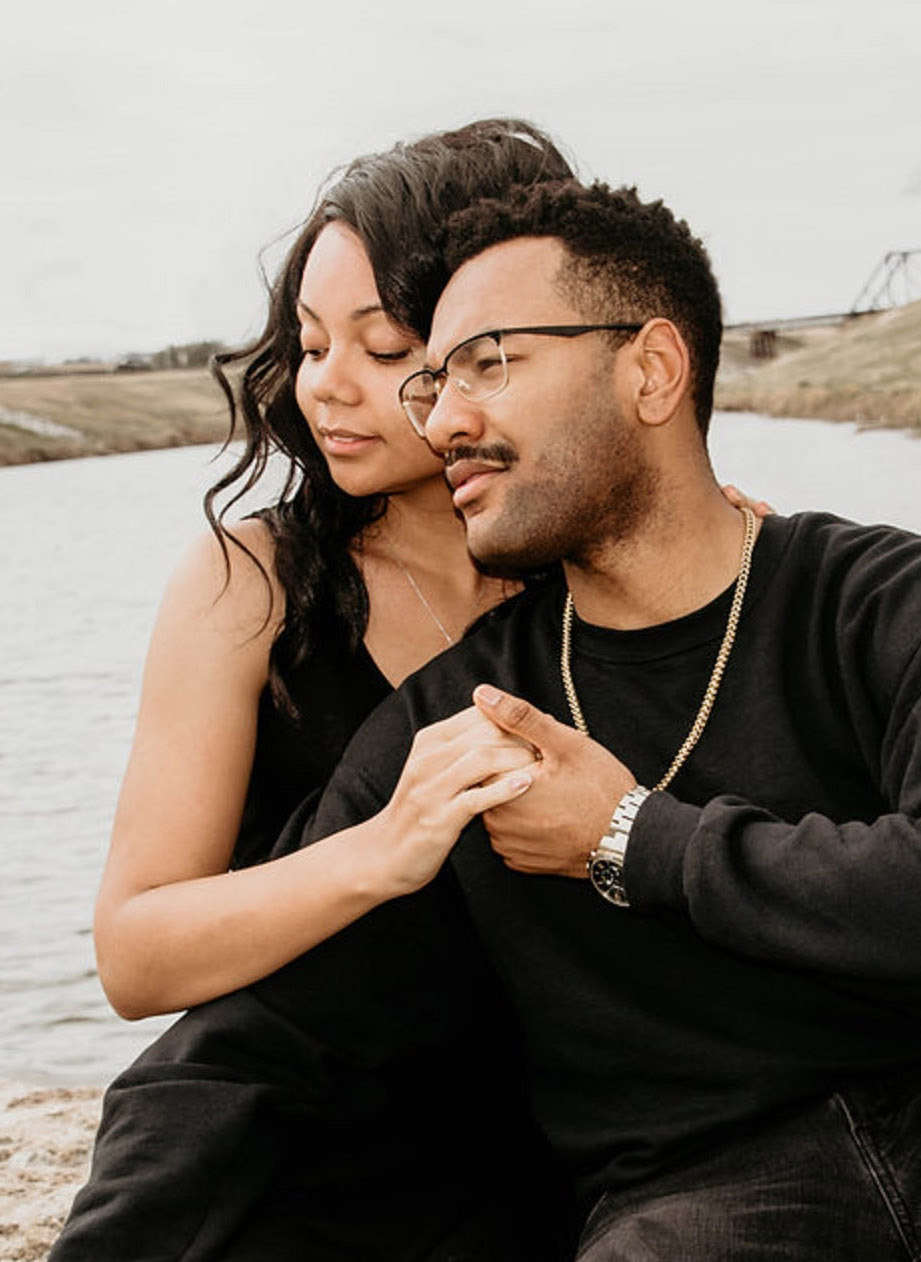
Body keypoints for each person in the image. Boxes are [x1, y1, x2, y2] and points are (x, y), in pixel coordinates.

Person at [210, 177, 921, 1258]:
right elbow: (255, 1047)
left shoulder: (893, 601)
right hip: (702, 1199)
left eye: (489, 362)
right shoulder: (453, 718)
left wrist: (633, 835)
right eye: (434, 383)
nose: (443, 417)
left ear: (651, 370)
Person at [52, 119, 583, 1262]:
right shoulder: (250, 581)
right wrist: (380, 847)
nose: (323, 388)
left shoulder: (611, 584)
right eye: (307, 342)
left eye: (382, 347)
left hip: (530, 1164)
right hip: (253, 1156)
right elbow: (135, 955)